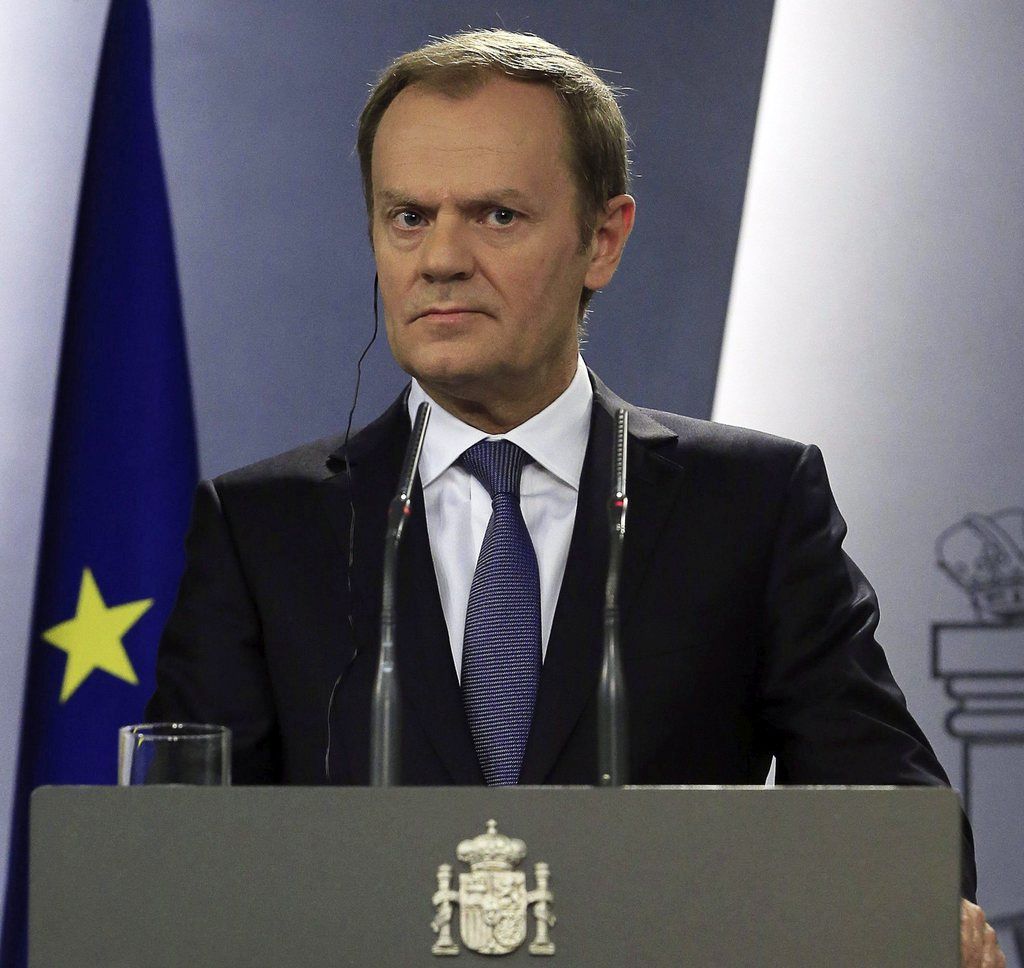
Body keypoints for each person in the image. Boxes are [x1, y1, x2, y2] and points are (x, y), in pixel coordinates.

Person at [147, 29, 1004, 965]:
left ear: (604, 238)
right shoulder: (264, 529)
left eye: (496, 217)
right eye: (407, 217)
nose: (440, 257)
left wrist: (925, 908)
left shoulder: (752, 505)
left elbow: (892, 825)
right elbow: (174, 865)